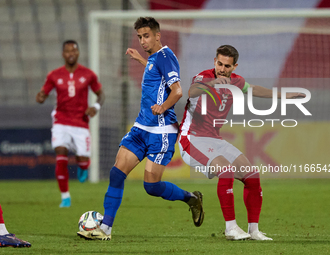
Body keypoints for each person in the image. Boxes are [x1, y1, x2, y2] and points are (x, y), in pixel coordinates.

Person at [77, 17, 204, 241]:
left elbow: (177, 91)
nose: (142, 41)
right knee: (116, 173)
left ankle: (191, 198)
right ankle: (105, 229)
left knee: (151, 186)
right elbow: (156, 73)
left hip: (161, 131)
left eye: (146, 36)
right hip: (140, 128)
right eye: (139, 37)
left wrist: (162, 107)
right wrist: (141, 60)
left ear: (157, 35)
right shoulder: (155, 58)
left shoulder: (166, 56)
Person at [178, 45, 305, 241]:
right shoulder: (203, 78)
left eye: (227, 66)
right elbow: (192, 91)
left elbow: (253, 89)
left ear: (234, 66)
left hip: (214, 139)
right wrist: (212, 83)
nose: (222, 69)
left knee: (252, 176)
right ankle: (231, 228)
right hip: (192, 138)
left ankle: (254, 230)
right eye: (219, 64)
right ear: (214, 61)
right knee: (226, 171)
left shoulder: (236, 82)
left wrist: (283, 96)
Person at [36, 40, 105, 208]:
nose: (71, 54)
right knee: (60, 153)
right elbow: (43, 93)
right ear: (63, 54)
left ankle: (83, 166)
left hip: (81, 122)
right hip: (61, 120)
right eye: (67, 51)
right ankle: (65, 197)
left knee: (83, 160)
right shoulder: (54, 75)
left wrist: (95, 107)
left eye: (74, 50)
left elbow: (100, 94)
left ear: (78, 53)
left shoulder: (88, 74)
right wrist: (41, 96)